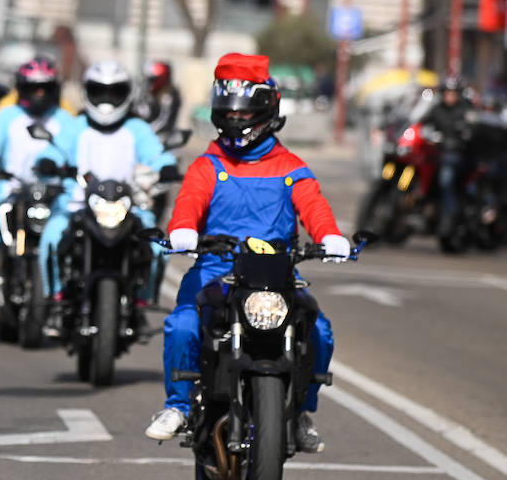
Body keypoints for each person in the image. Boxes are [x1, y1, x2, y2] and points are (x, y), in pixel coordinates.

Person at [145, 53, 349, 452]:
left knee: (320, 331)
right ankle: (179, 406)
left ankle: (302, 410)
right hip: (215, 270)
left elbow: (314, 206)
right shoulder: (208, 165)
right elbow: (189, 203)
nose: (236, 119)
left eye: (244, 110)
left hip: (276, 275)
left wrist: (331, 236)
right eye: (229, 110)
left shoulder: (291, 166)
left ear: (265, 109)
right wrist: (183, 230)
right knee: (181, 326)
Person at [37, 60, 176, 337]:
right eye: (99, 91)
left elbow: (158, 154)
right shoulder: (77, 126)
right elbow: (56, 151)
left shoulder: (137, 128)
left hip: (129, 206)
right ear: (88, 91)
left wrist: (166, 166)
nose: (106, 100)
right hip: (75, 205)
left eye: (114, 92)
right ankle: (57, 301)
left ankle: (140, 301)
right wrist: (48, 163)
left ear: (127, 93)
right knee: (51, 240)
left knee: (159, 247)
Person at [0, 57, 72, 252]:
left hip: (53, 198)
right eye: (33, 88)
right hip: (9, 194)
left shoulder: (65, 118)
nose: (39, 94)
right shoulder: (8, 116)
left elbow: (74, 151)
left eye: (44, 88)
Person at [423, 75, 473, 237]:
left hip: (456, 156)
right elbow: (422, 123)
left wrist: (458, 140)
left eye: (453, 93)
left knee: (446, 177)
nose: (450, 96)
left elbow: (470, 131)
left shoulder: (465, 110)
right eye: (447, 93)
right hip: (436, 154)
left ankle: (448, 215)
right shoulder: (436, 109)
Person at [135, 59, 182, 136]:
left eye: (152, 80)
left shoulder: (169, 96)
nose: (149, 83)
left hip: (162, 139)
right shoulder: (150, 94)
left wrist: (144, 132)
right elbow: (143, 112)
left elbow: (164, 122)